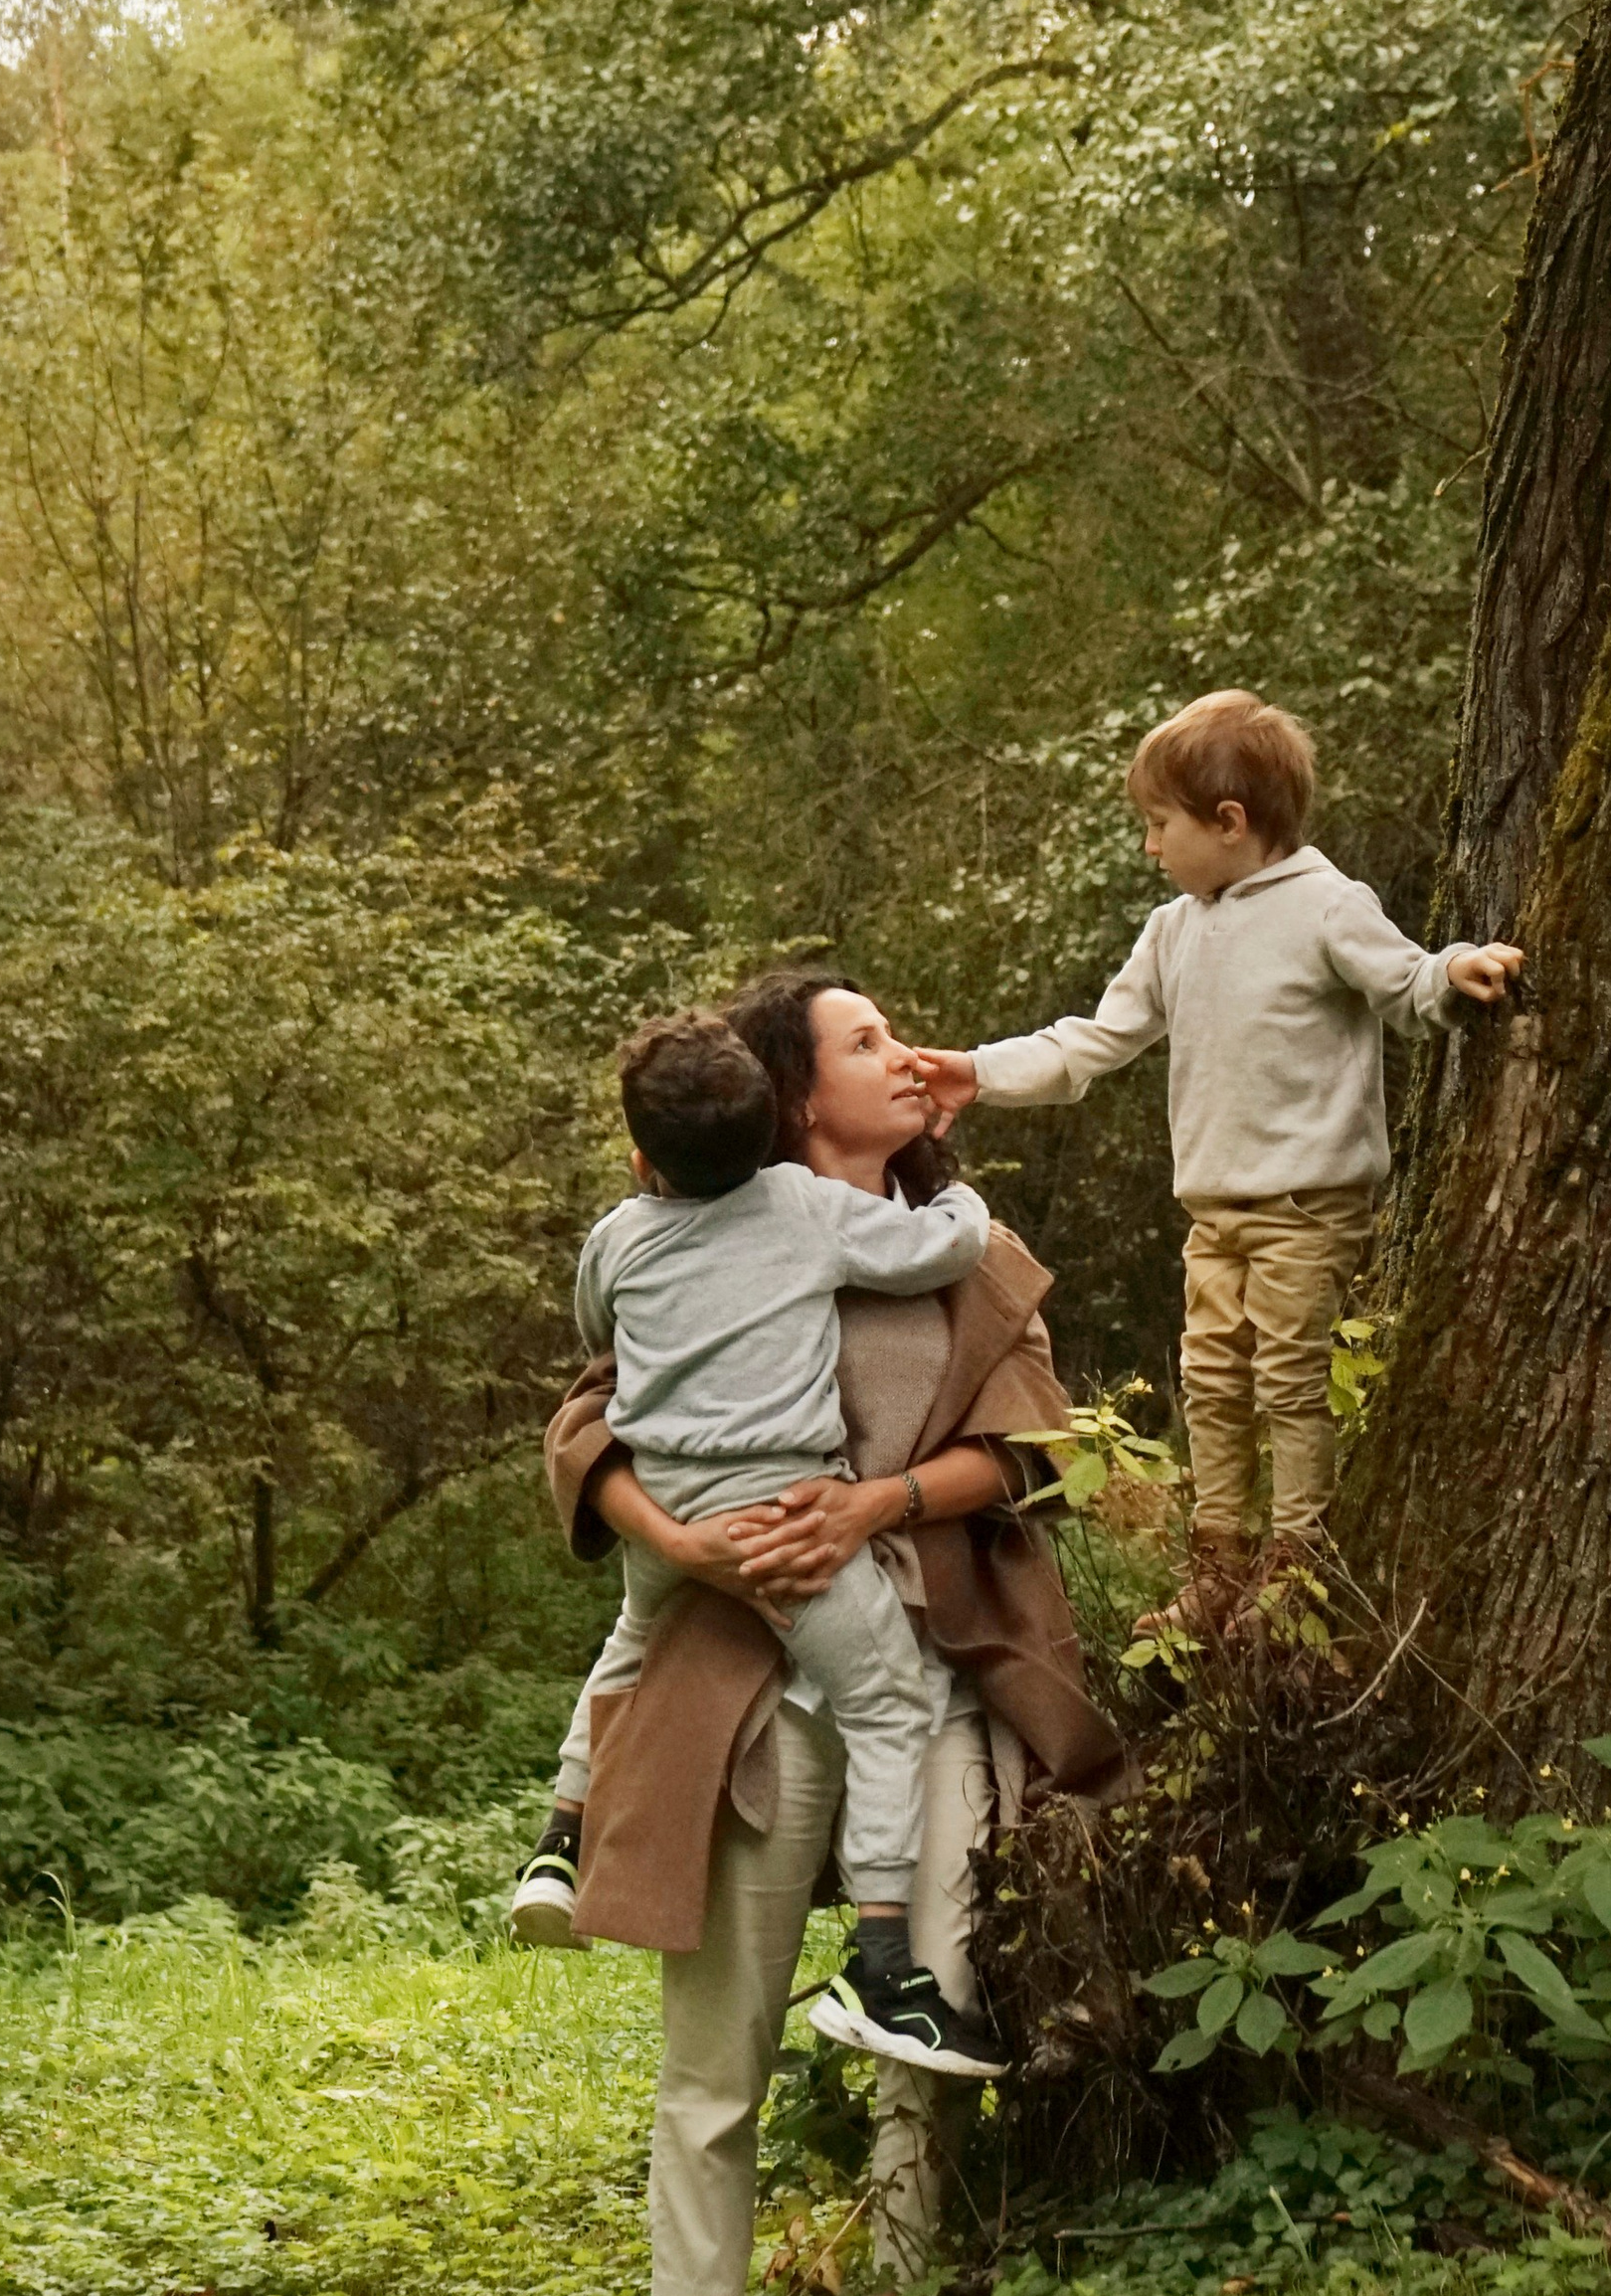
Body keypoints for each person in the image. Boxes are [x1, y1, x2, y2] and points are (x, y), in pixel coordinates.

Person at [542, 970, 1129, 2296]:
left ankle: (909, 2270)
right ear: (798, 1095)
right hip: (748, 1691)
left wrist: (881, 1502)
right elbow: (588, 1428)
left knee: (929, 2041)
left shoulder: (961, 1246)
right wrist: (685, 1543)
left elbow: (1041, 1450)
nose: (909, 1055)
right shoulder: (692, 1233)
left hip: (942, 1679)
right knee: (714, 2071)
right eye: (868, 1042)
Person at [914, 689, 1523, 1635]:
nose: (1152, 848)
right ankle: (1220, 1569)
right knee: (1212, 1383)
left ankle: (1297, 1566)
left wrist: (1457, 968)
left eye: (1161, 825)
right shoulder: (1174, 931)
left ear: (1230, 823)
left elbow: (1406, 982)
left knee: (1287, 1380)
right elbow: (1089, 1043)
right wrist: (978, 1071)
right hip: (1216, 1215)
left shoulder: (1327, 905)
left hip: (1307, 1205)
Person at [511, 1009, 1003, 2077]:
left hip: (673, 1509)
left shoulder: (620, 1235)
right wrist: (961, 1195)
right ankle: (881, 1963)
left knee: (628, 1646)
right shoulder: (802, 1208)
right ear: (781, 1118)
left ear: (643, 1158)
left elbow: (598, 1336)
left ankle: (557, 1840)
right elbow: (946, 1246)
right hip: (787, 1516)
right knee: (891, 1702)